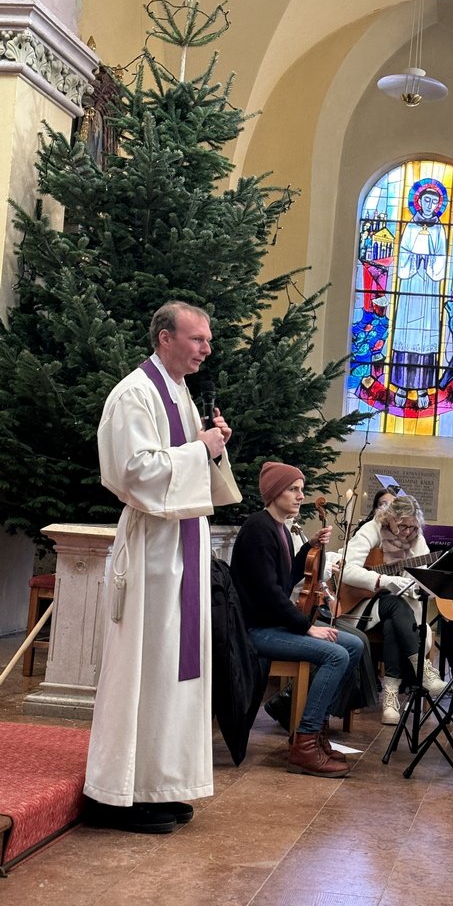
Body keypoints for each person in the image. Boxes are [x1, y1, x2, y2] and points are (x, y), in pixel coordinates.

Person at [84, 301, 242, 834]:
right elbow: (134, 473)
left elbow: (185, 463)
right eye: (197, 339)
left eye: (208, 339)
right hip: (153, 550)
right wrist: (199, 449)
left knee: (176, 670)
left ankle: (159, 785)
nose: (207, 349)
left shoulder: (178, 391)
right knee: (147, 667)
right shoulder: (135, 393)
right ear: (164, 338)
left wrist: (213, 448)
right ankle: (119, 795)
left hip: (181, 545)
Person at [230, 462, 364, 778]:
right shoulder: (258, 529)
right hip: (255, 630)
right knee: (336, 654)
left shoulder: (279, 528)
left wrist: (308, 547)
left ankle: (316, 732)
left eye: (301, 489)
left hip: (271, 624)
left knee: (354, 645)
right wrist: (307, 627)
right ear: (274, 491)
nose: (301, 496)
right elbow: (268, 595)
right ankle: (305, 743)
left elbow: (287, 581)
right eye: (293, 489)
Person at [337, 494, 446, 724]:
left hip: (398, 610)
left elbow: (422, 579)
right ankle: (422, 670)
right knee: (396, 607)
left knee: (393, 620)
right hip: (361, 603)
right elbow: (346, 569)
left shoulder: (417, 538)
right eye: (403, 526)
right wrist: (382, 580)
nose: (407, 532)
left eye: (412, 527)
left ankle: (391, 697)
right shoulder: (372, 529)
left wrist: (411, 586)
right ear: (390, 517)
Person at [390, 180, 447, 411]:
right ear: (419, 201)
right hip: (411, 283)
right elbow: (402, 254)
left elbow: (442, 257)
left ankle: (422, 388)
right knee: (406, 334)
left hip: (428, 288)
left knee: (425, 338)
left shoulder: (439, 229)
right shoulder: (411, 227)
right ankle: (401, 387)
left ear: (438, 205)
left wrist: (430, 261)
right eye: (426, 200)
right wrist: (414, 260)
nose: (430, 204)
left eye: (434, 201)